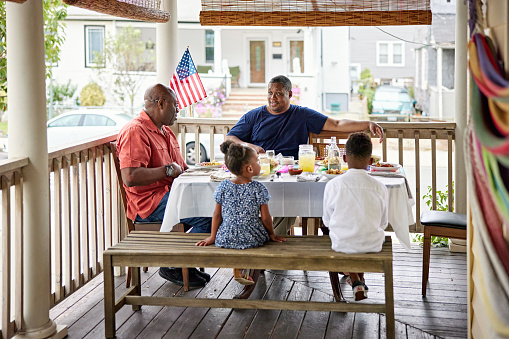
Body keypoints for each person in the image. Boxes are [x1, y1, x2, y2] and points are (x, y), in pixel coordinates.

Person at [225, 75, 384, 235]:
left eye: (278, 93)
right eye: (269, 93)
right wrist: (250, 146)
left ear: (290, 95)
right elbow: (230, 138)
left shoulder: (301, 114)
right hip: (261, 173)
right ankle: (264, 238)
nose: (273, 98)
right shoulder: (255, 116)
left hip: (291, 174)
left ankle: (270, 240)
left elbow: (336, 124)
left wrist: (368, 124)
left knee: (290, 196)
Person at [117, 84, 212, 288]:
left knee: (215, 204)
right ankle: (174, 264)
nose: (178, 110)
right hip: (148, 204)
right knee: (210, 213)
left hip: (171, 195)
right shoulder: (136, 130)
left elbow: (181, 168)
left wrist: (204, 171)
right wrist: (168, 170)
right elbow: (130, 176)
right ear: (161, 103)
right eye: (176, 105)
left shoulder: (166, 132)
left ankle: (185, 264)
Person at [195, 141, 286, 285]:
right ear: (249, 168)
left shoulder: (223, 186)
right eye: (257, 161)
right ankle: (244, 269)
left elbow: (217, 215)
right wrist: (272, 234)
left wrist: (213, 236)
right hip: (252, 236)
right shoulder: (259, 188)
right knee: (250, 243)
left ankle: (239, 268)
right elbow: (266, 218)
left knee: (238, 242)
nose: (259, 164)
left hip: (226, 236)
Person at [322, 132, 389, 301]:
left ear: (344, 158)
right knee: (364, 230)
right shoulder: (380, 187)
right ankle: (359, 279)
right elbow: (383, 223)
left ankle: (356, 279)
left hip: (342, 244)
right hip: (373, 244)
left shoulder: (333, 185)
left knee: (342, 232)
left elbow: (327, 221)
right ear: (371, 161)